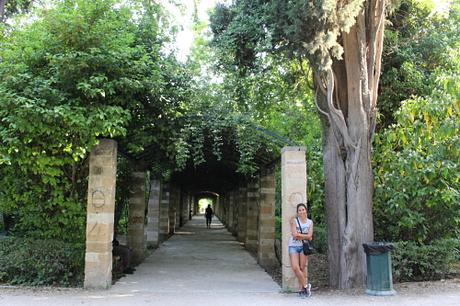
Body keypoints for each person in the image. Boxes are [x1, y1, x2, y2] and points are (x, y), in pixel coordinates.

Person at [288, 203, 314, 298]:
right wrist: (306, 236)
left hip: (304, 247)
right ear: (297, 212)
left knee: (302, 268)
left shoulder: (310, 222)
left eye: (303, 209)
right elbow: (295, 235)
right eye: (300, 210)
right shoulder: (294, 221)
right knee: (295, 267)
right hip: (293, 246)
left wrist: (300, 235)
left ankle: (302, 289)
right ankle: (307, 286)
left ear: (306, 211)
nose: (302, 211)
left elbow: (310, 236)